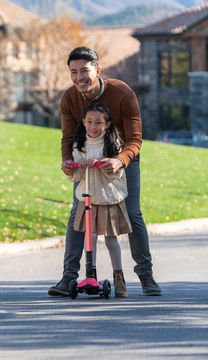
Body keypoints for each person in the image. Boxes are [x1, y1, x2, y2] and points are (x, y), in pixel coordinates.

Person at [48, 46, 162, 297]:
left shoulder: (122, 93)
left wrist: (120, 161)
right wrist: (67, 162)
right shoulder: (69, 98)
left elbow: (135, 139)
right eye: (73, 72)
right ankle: (69, 278)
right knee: (78, 213)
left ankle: (146, 276)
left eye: (84, 71)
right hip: (88, 160)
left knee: (132, 213)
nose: (79, 77)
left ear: (97, 70)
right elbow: (68, 137)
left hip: (123, 159)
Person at [67, 103, 131, 297]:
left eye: (98, 123)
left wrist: (99, 164)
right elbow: (77, 176)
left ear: (107, 124)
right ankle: (90, 275)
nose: (93, 127)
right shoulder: (80, 145)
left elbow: (116, 174)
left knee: (111, 240)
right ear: (83, 122)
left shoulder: (113, 144)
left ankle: (119, 277)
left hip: (107, 198)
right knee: (91, 238)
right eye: (89, 122)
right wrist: (73, 167)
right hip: (88, 199)